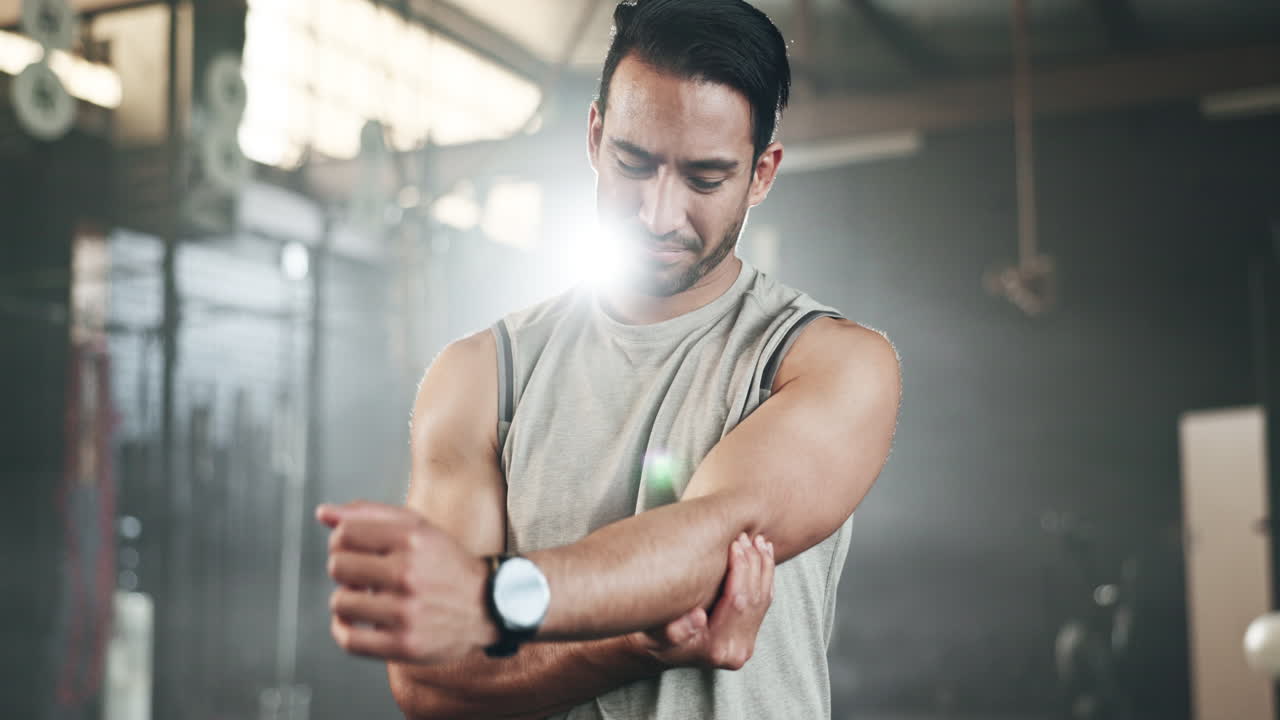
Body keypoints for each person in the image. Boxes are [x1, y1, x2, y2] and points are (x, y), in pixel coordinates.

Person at [315, 0, 901, 717]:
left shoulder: (830, 364)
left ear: (762, 174)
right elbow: (429, 686)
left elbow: (704, 543)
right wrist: (625, 648)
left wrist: (491, 596)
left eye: (705, 178)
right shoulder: (480, 376)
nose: (658, 214)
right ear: (594, 137)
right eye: (634, 162)